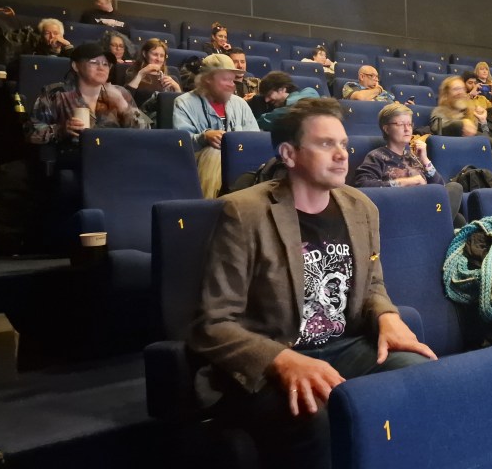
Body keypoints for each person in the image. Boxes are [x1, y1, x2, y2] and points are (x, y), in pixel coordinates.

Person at [188, 97, 435, 469]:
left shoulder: (361, 207)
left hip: (346, 346)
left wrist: (387, 316)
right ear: (289, 154)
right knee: (317, 416)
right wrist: (282, 360)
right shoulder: (244, 212)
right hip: (275, 354)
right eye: (325, 144)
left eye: (343, 144)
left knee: (420, 377)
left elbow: (372, 285)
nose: (341, 154)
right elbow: (213, 324)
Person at [27, 42, 150, 148]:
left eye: (106, 64)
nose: (101, 68)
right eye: (94, 62)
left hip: (114, 156)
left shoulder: (120, 93)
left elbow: (147, 132)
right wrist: (61, 130)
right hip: (73, 159)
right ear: (76, 66)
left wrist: (124, 107)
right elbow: (30, 133)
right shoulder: (56, 94)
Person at [173, 54, 260, 198]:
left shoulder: (240, 104)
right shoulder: (184, 103)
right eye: (225, 79)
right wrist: (204, 137)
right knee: (214, 153)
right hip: (198, 166)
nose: (231, 85)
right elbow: (180, 144)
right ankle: (211, 207)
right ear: (207, 79)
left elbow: (255, 139)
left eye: (232, 80)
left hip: (240, 165)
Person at [124, 38, 181, 105]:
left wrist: (177, 88)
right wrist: (141, 74)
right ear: (145, 54)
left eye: (162, 56)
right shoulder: (133, 74)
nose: (158, 59)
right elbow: (125, 100)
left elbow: (180, 106)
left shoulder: (172, 80)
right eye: (155, 54)